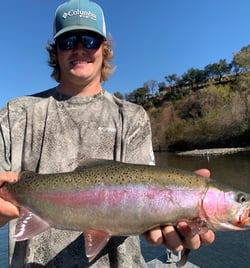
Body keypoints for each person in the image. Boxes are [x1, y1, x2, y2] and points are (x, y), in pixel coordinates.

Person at [0, 0, 215, 267]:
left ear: (104, 48)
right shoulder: (15, 113)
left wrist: (176, 212)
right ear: (56, 50)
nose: (79, 48)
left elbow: (144, 199)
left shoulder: (132, 117)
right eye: (68, 41)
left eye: (88, 40)